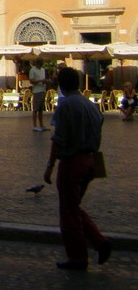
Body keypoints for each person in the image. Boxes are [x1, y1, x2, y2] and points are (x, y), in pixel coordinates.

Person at [43, 67, 111, 271]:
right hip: (91, 160)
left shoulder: (65, 105)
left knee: (68, 213)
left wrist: (50, 166)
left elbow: (59, 139)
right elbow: (99, 126)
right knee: (74, 207)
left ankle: (78, 258)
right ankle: (100, 243)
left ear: (61, 85)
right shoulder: (90, 105)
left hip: (72, 162)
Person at [29, 61, 49, 132]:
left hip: (43, 90)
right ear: (36, 63)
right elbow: (31, 81)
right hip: (36, 91)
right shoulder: (32, 70)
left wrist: (45, 81)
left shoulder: (43, 70)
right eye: (40, 63)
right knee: (36, 109)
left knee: (41, 109)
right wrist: (41, 81)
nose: (41, 65)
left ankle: (41, 124)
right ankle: (35, 125)